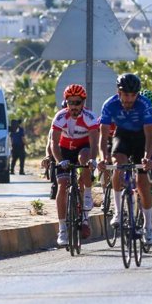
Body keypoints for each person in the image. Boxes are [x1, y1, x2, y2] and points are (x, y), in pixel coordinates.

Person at [97, 73, 152, 245]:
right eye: (126, 94)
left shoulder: (144, 104)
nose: (130, 99)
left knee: (142, 182)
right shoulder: (110, 104)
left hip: (140, 138)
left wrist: (147, 157)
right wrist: (103, 158)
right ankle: (117, 210)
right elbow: (103, 136)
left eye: (133, 95)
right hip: (121, 136)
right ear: (119, 92)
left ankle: (148, 226)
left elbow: (149, 134)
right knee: (118, 165)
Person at [50, 85, 100, 246]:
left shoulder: (90, 117)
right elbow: (54, 143)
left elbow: (94, 143)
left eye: (77, 102)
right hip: (64, 150)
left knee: (85, 158)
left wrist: (93, 159)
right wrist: (59, 160)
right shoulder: (60, 117)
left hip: (83, 148)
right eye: (70, 102)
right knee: (62, 184)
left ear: (83, 102)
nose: (73, 106)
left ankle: (86, 194)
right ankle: (63, 229)